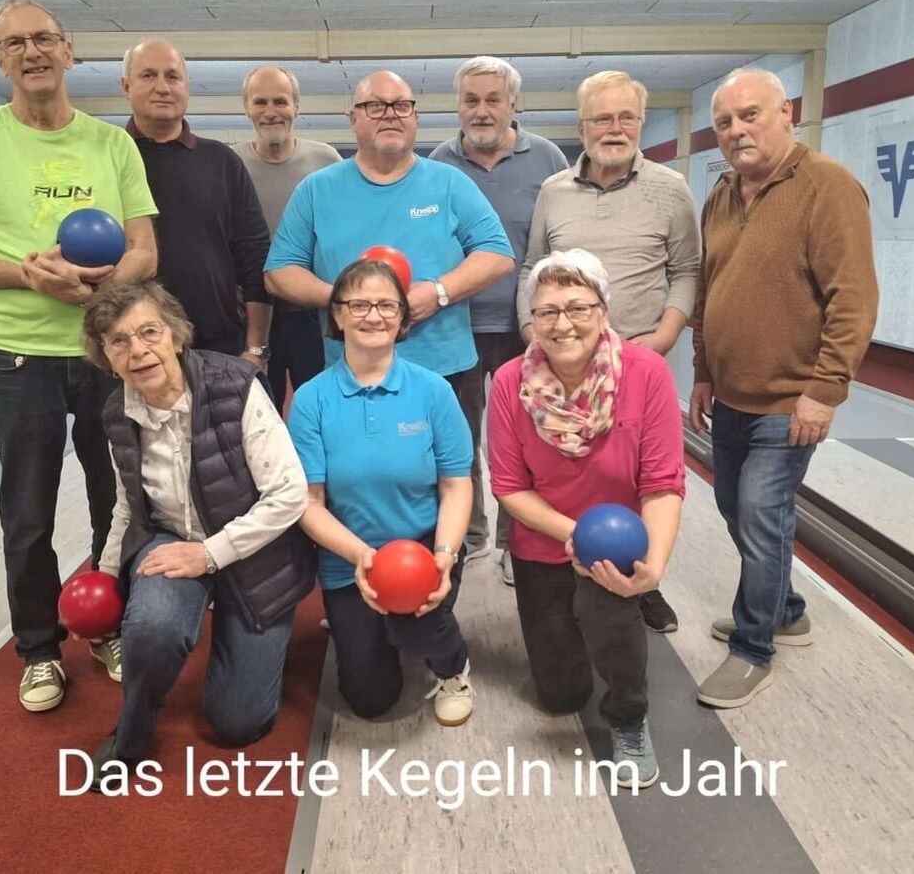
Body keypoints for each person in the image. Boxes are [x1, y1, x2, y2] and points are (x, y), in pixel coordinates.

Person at [0, 0, 158, 713]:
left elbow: (145, 248)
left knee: (113, 503)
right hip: (19, 355)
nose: (31, 52)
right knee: (25, 512)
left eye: (43, 40)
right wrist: (28, 275)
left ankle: (106, 626)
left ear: (67, 51)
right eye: (14, 43)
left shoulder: (110, 145)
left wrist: (94, 288)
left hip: (102, 352)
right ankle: (37, 646)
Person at [689, 67, 878, 708]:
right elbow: (711, 290)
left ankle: (752, 648)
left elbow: (853, 297)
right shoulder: (722, 194)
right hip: (733, 391)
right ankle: (786, 608)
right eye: (724, 122)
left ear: (786, 111)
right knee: (734, 509)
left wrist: (825, 390)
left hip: (790, 398)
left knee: (762, 514)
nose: (737, 131)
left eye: (750, 115)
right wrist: (705, 371)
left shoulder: (827, 186)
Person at [79, 281, 315, 786]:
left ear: (176, 335)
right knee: (153, 627)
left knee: (237, 723)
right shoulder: (116, 411)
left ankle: (246, 633)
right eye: (119, 341)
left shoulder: (236, 385)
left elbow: (290, 495)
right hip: (172, 539)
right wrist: (105, 583)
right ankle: (131, 733)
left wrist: (209, 556)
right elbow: (128, 503)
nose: (138, 350)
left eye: (149, 332)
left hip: (256, 550)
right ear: (106, 355)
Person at [488, 249, 685, 788]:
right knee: (561, 696)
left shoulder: (647, 373)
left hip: (617, 543)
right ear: (532, 321)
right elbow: (508, 486)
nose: (563, 323)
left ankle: (629, 715)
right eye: (548, 311)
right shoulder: (510, 383)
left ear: (603, 311)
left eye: (578, 307)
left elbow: (664, 482)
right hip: (544, 544)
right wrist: (575, 534)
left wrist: (654, 565)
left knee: (612, 621)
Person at [518, 70, 700, 634]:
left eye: (626, 117)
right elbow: (531, 267)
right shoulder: (554, 191)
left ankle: (644, 579)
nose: (614, 128)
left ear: (641, 123)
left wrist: (665, 336)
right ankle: (561, 569)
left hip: (638, 363)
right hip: (563, 361)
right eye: (602, 118)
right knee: (572, 470)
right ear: (583, 126)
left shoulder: (671, 188)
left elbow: (687, 270)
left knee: (643, 477)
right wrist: (535, 330)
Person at [287, 259, 475, 725]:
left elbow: (456, 486)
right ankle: (366, 623)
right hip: (349, 558)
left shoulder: (433, 391)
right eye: (359, 304)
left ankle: (453, 668)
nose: (374, 316)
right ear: (338, 315)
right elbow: (308, 504)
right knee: (370, 700)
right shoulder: (311, 399)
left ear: (403, 316)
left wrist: (446, 556)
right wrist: (362, 558)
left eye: (387, 305)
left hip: (425, 548)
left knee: (416, 627)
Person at [264, 69, 515, 401]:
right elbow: (279, 272)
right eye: (375, 107)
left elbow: (497, 254)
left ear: (415, 117)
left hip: (442, 368)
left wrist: (440, 292)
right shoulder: (316, 190)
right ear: (353, 119)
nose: (390, 115)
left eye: (401, 106)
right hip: (348, 368)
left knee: (451, 454)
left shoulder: (449, 183)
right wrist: (343, 301)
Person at [428, 56, 569, 582]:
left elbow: (560, 241)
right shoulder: (439, 163)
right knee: (458, 438)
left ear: (514, 104)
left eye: (493, 99)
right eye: (471, 100)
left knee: (525, 439)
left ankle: (518, 538)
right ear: (458, 106)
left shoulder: (548, 158)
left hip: (525, 328)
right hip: (454, 326)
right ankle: (470, 533)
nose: (482, 110)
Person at [122, 40, 272, 369]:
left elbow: (254, 254)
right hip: (133, 352)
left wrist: (256, 348)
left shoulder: (221, 161)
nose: (162, 87)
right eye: (148, 75)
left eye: (173, 77)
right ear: (126, 86)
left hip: (219, 349)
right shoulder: (108, 158)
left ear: (187, 87)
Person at [231, 66, 343, 411]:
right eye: (260, 101)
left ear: (296, 106)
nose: (270, 111)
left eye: (280, 101)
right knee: (258, 406)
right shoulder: (230, 162)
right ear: (246, 108)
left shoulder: (327, 161)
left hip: (313, 308)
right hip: (250, 311)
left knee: (322, 401)